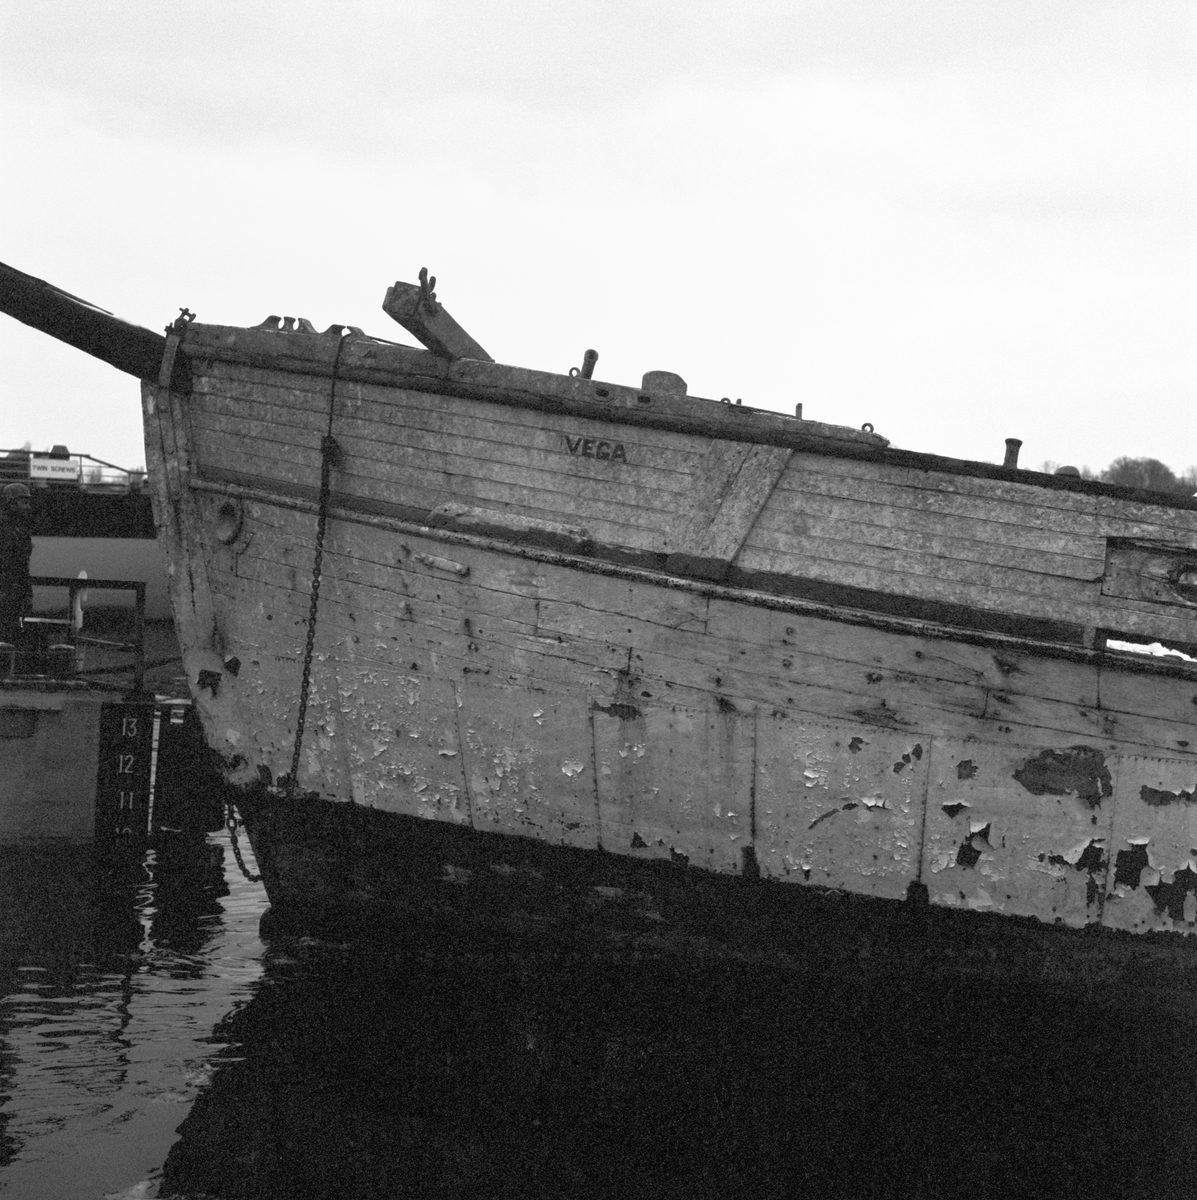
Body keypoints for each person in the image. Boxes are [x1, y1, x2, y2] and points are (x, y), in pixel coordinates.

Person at [0, 482, 33, 644]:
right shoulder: (4, 528)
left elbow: (22, 565)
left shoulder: (20, 529)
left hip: (15, 592)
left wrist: (27, 593)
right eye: (23, 502)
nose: (28, 507)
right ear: (10, 503)